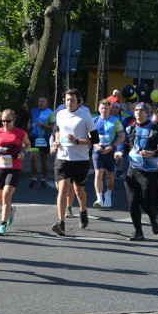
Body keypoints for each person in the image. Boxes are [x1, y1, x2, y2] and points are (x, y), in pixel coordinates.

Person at [50, 89, 99, 235]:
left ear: (78, 101)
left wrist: (77, 141)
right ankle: (61, 223)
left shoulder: (85, 116)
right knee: (63, 188)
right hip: (63, 157)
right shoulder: (60, 114)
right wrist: (57, 141)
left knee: (79, 191)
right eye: (67, 100)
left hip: (81, 159)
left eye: (72, 100)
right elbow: (57, 129)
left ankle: (83, 211)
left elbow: (95, 139)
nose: (69, 103)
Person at [122, 102, 158, 241]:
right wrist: (119, 154)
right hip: (132, 170)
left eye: (141, 110)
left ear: (147, 113)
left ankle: (154, 219)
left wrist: (152, 153)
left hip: (149, 171)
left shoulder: (155, 128)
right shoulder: (130, 128)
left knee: (146, 202)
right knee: (132, 202)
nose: (138, 112)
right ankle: (138, 232)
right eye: (136, 110)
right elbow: (126, 148)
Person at [0, 109, 30, 236]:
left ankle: (2, 225)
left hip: (15, 167)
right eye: (3, 121)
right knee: (0, 199)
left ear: (14, 120)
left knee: (7, 195)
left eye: (8, 121)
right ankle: (10, 210)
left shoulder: (20, 132)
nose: (5, 123)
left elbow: (27, 144)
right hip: (0, 166)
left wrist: (23, 152)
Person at [91, 99, 125, 209]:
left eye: (106, 108)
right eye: (101, 108)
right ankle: (99, 198)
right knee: (98, 174)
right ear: (98, 109)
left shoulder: (116, 121)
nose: (103, 110)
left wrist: (112, 147)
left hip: (110, 151)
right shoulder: (94, 120)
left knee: (110, 175)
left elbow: (122, 136)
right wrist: (96, 144)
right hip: (98, 151)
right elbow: (89, 134)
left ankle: (108, 195)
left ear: (109, 109)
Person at [27, 96, 55, 188]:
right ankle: (34, 179)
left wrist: (42, 125)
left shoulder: (50, 113)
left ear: (46, 102)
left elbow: (53, 127)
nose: (40, 103)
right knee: (32, 158)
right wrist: (29, 125)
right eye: (39, 101)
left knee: (44, 160)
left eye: (42, 101)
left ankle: (43, 179)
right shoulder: (34, 111)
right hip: (34, 138)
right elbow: (30, 120)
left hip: (44, 139)